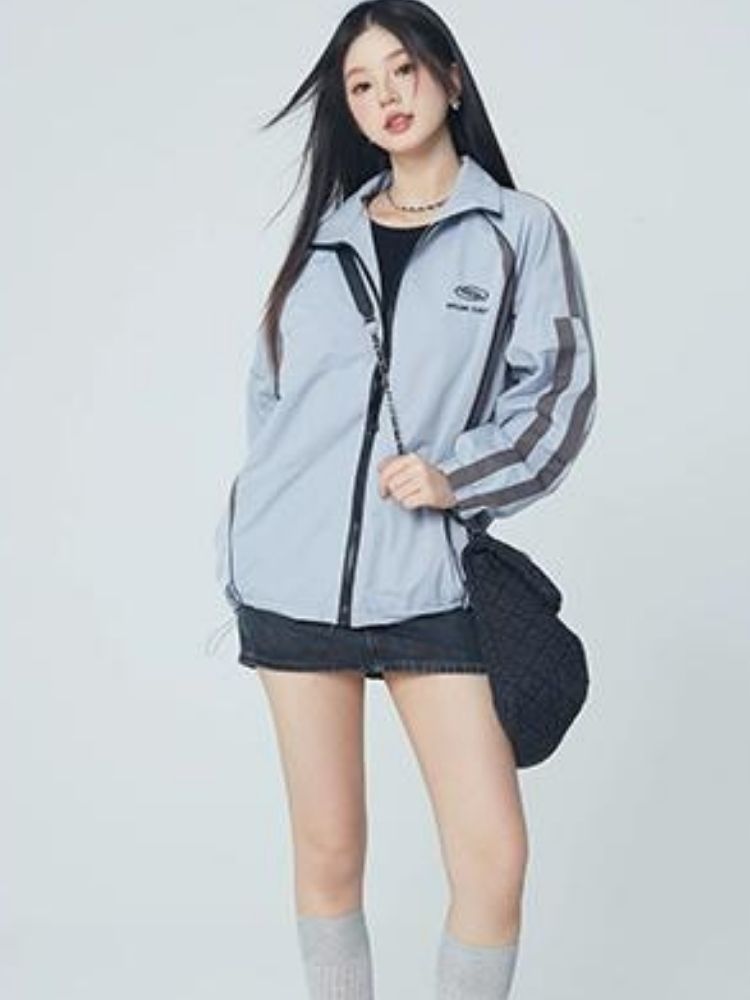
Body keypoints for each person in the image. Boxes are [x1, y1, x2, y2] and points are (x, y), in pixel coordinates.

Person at [211, 2, 597, 996]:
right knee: (329, 850)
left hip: (428, 577)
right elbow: (272, 404)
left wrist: (456, 474)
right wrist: (251, 534)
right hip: (291, 576)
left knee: (492, 859)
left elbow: (558, 396)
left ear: (450, 78)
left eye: (403, 69)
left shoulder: (517, 229)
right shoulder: (324, 243)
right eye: (361, 83)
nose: (385, 94)